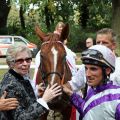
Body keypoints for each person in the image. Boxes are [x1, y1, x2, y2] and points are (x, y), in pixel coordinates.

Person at [0, 45, 62, 120]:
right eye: (20, 61)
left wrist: (34, 93)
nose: (25, 64)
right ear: (11, 63)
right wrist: (44, 100)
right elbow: (20, 118)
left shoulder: (19, 76)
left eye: (28, 59)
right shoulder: (10, 86)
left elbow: (23, 101)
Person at [63, 45, 120, 120]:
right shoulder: (93, 90)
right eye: (86, 68)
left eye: (93, 69)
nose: (87, 74)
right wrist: (71, 94)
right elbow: (87, 109)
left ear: (107, 70)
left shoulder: (117, 100)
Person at [65, 28, 120, 94]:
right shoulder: (87, 66)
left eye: (104, 43)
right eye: (98, 42)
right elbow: (72, 85)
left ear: (114, 45)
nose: (100, 45)